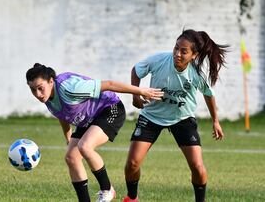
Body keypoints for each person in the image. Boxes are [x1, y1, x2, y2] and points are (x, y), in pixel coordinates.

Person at [26, 63, 164, 202]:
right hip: (88, 117)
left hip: (110, 109)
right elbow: (62, 113)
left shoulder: (70, 89)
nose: (37, 94)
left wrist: (141, 91)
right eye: (33, 90)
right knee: (71, 157)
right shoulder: (47, 95)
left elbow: (110, 84)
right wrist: (68, 137)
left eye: (40, 88)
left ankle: (107, 189)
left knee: (85, 146)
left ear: (51, 81)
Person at [122, 29, 228, 202]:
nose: (177, 54)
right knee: (132, 164)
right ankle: (132, 198)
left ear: (194, 55)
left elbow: (208, 94)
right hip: (151, 116)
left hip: (182, 119)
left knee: (197, 167)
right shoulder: (159, 60)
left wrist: (215, 121)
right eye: (176, 48)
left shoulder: (196, 74)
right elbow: (136, 70)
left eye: (184, 51)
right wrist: (135, 95)